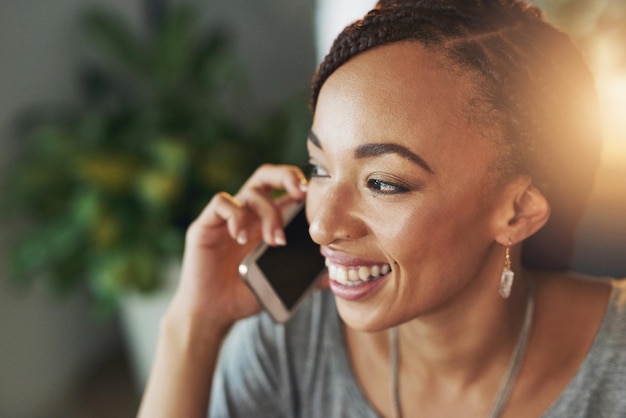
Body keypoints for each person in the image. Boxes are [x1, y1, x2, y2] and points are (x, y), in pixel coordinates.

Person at [138, 0, 626, 417]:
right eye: (320, 167)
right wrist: (194, 326)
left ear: (517, 213)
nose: (322, 226)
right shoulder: (290, 340)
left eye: (383, 183)